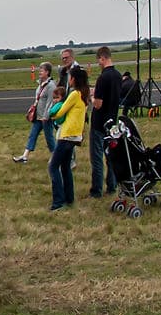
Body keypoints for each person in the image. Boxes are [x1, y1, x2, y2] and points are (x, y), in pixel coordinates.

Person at [47, 66, 89, 211]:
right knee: (65, 167)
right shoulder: (83, 94)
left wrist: (52, 112)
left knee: (53, 167)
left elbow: (60, 112)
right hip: (75, 136)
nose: (69, 80)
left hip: (66, 135)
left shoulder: (74, 94)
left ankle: (58, 201)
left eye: (70, 77)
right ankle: (69, 198)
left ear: (74, 79)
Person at [89, 46, 122, 198]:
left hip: (99, 123)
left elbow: (98, 104)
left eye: (99, 61)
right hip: (112, 121)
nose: (99, 64)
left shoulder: (103, 78)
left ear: (102, 58)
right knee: (111, 156)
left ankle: (96, 190)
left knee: (97, 157)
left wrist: (91, 97)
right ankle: (112, 185)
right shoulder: (117, 75)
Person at [13, 61, 58, 163]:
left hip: (45, 117)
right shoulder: (41, 84)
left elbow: (50, 103)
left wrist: (46, 117)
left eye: (41, 71)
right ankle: (25, 156)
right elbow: (38, 99)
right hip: (38, 116)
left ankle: (55, 157)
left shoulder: (51, 86)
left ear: (47, 72)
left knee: (49, 138)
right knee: (32, 135)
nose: (39, 72)